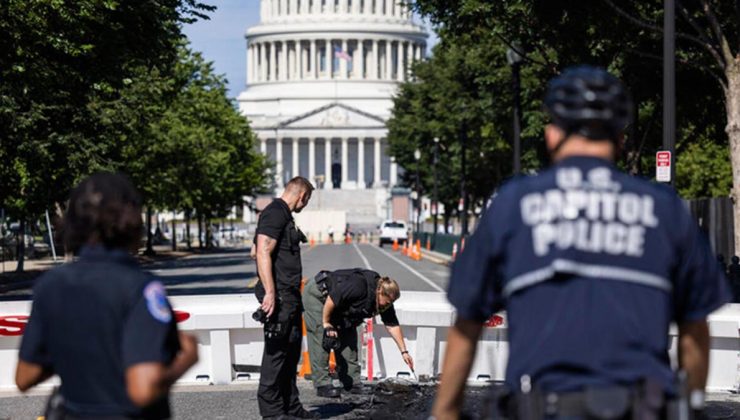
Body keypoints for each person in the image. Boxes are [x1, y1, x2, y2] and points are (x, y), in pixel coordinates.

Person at [431, 66, 731, 419]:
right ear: (621, 139)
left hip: (543, 407)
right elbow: (695, 327)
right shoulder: (665, 210)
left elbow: (467, 323)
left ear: (552, 134)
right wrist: (691, 405)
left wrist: (445, 412)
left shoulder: (513, 206)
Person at [15, 172, 199, 419]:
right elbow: (143, 389)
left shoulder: (50, 284)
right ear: (131, 220)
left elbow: (25, 377)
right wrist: (187, 358)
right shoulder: (140, 288)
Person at [254, 176, 316, 420]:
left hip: (290, 296)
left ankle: (291, 407)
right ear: (302, 196)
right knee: (276, 355)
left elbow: (255, 250)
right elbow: (261, 251)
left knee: (291, 355)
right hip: (278, 297)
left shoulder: (284, 216)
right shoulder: (275, 213)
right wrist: (270, 291)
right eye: (307, 200)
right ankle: (272, 414)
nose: (305, 205)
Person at [302, 268, 414, 398]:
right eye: (388, 302)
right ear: (379, 292)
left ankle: (351, 383)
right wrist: (326, 323)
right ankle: (322, 384)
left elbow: (392, 325)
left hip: (339, 306)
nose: (387, 306)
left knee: (349, 338)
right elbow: (332, 299)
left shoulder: (385, 302)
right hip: (319, 297)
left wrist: (404, 352)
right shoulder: (359, 286)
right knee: (323, 335)